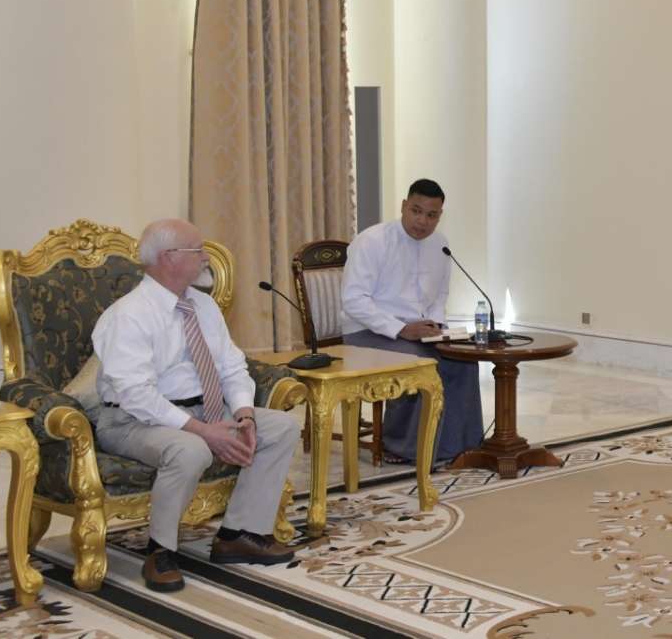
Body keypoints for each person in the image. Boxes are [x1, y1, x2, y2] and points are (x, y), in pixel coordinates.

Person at [93, 219, 299, 592]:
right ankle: (160, 551)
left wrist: (244, 414)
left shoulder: (203, 305)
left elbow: (232, 366)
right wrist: (203, 431)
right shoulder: (128, 315)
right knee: (190, 449)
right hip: (132, 420)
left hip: (205, 409)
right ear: (169, 257)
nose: (206, 257)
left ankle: (239, 534)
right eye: (198, 250)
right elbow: (136, 395)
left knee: (281, 427)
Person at [341, 178, 483, 466]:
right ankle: (402, 447)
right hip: (368, 331)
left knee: (463, 361)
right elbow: (354, 300)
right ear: (404, 206)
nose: (422, 221)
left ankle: (457, 447)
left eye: (431, 215)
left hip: (419, 331)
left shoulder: (440, 244)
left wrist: (436, 327)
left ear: (440, 215)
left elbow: (440, 294)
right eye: (416, 211)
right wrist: (401, 329)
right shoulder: (372, 241)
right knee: (420, 362)